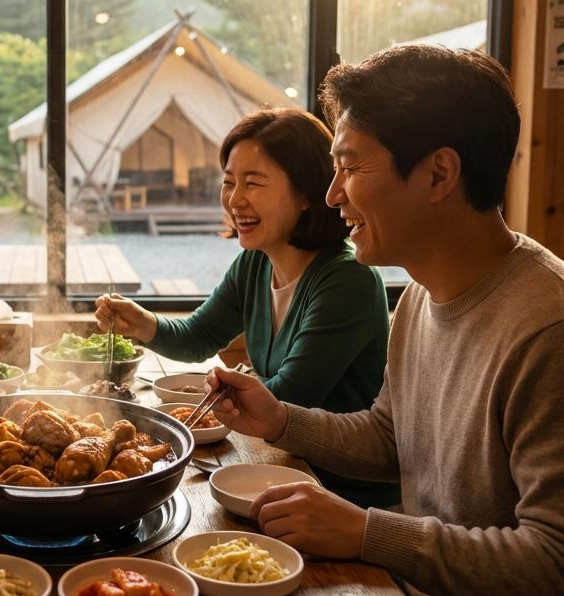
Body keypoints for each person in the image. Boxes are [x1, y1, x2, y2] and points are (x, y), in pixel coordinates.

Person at [208, 46, 564, 596]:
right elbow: (389, 436)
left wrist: (369, 533)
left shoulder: (546, 326)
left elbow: (554, 571)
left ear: (438, 173)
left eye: (351, 165)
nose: (333, 195)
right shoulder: (422, 301)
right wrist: (278, 419)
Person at [95, 107, 397, 508]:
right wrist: (144, 324)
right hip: (277, 461)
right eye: (229, 182)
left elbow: (290, 397)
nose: (235, 199)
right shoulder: (257, 261)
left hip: (340, 491)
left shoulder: (346, 279)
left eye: (253, 183)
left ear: (307, 193)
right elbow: (199, 337)